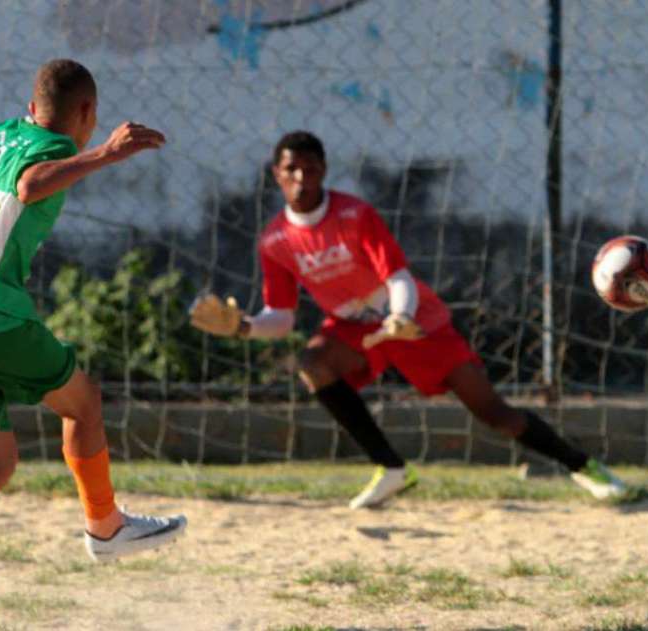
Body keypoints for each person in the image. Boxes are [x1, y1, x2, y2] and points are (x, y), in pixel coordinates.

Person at [0, 59, 187, 630]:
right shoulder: (54, 145)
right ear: (86, 114)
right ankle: (105, 528)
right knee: (83, 403)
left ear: (31, 104)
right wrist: (105, 153)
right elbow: (31, 185)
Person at [190, 130, 624, 509]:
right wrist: (243, 326)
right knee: (313, 363)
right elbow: (281, 317)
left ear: (324, 170)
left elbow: (397, 275)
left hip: (415, 320)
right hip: (352, 329)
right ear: (276, 174)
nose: (301, 179)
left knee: (495, 414)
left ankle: (585, 467)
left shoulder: (354, 215)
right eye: (291, 170)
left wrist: (399, 315)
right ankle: (391, 468)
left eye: (310, 168)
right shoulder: (274, 240)